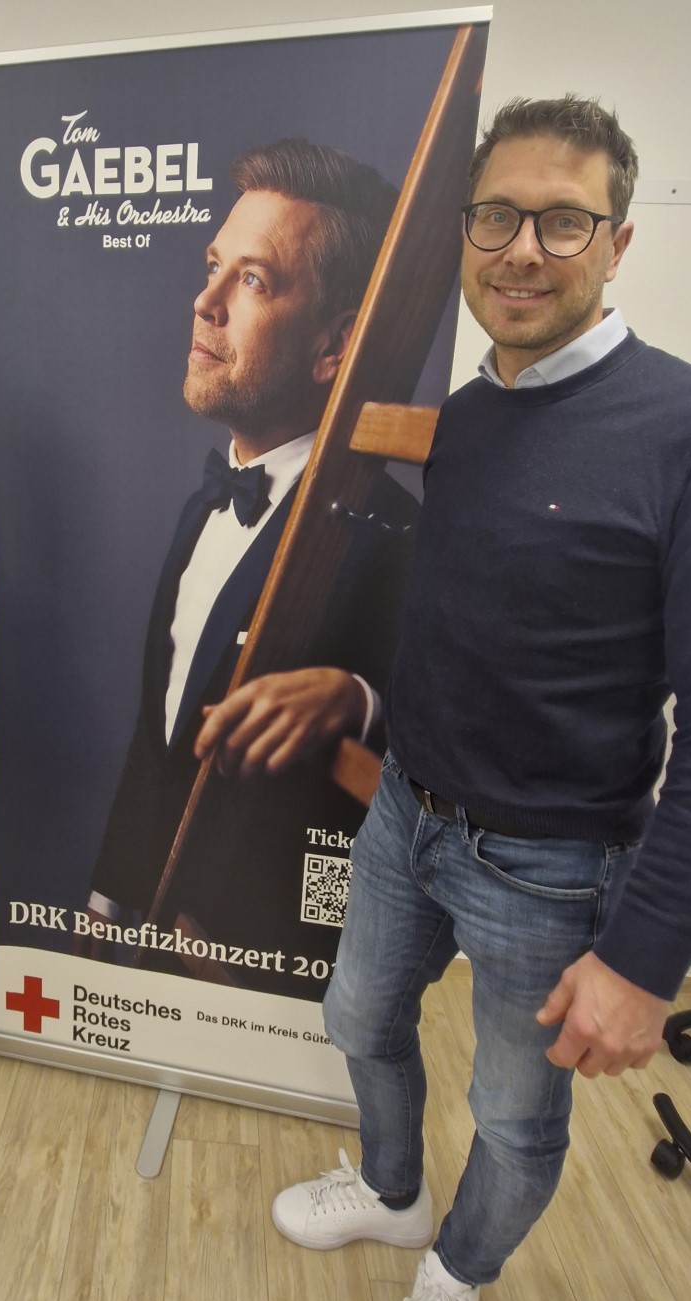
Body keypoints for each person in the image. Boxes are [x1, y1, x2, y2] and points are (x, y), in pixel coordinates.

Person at [271, 96, 691, 1301]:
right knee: (358, 1019)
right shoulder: (467, 414)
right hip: (407, 813)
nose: (522, 250)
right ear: (463, 231)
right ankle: (394, 1192)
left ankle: (457, 1270)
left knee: (514, 1119)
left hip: (553, 865)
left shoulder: (683, 431)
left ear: (619, 242)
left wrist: (644, 961)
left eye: (563, 222)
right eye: (497, 217)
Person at [83, 139, 417, 996]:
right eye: (213, 268)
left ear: (334, 345)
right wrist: (107, 899)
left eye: (254, 280)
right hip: (155, 950)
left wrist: (360, 699)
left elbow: (444, 760)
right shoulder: (204, 506)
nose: (204, 302)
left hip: (288, 980)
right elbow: (158, 739)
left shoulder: (397, 537)